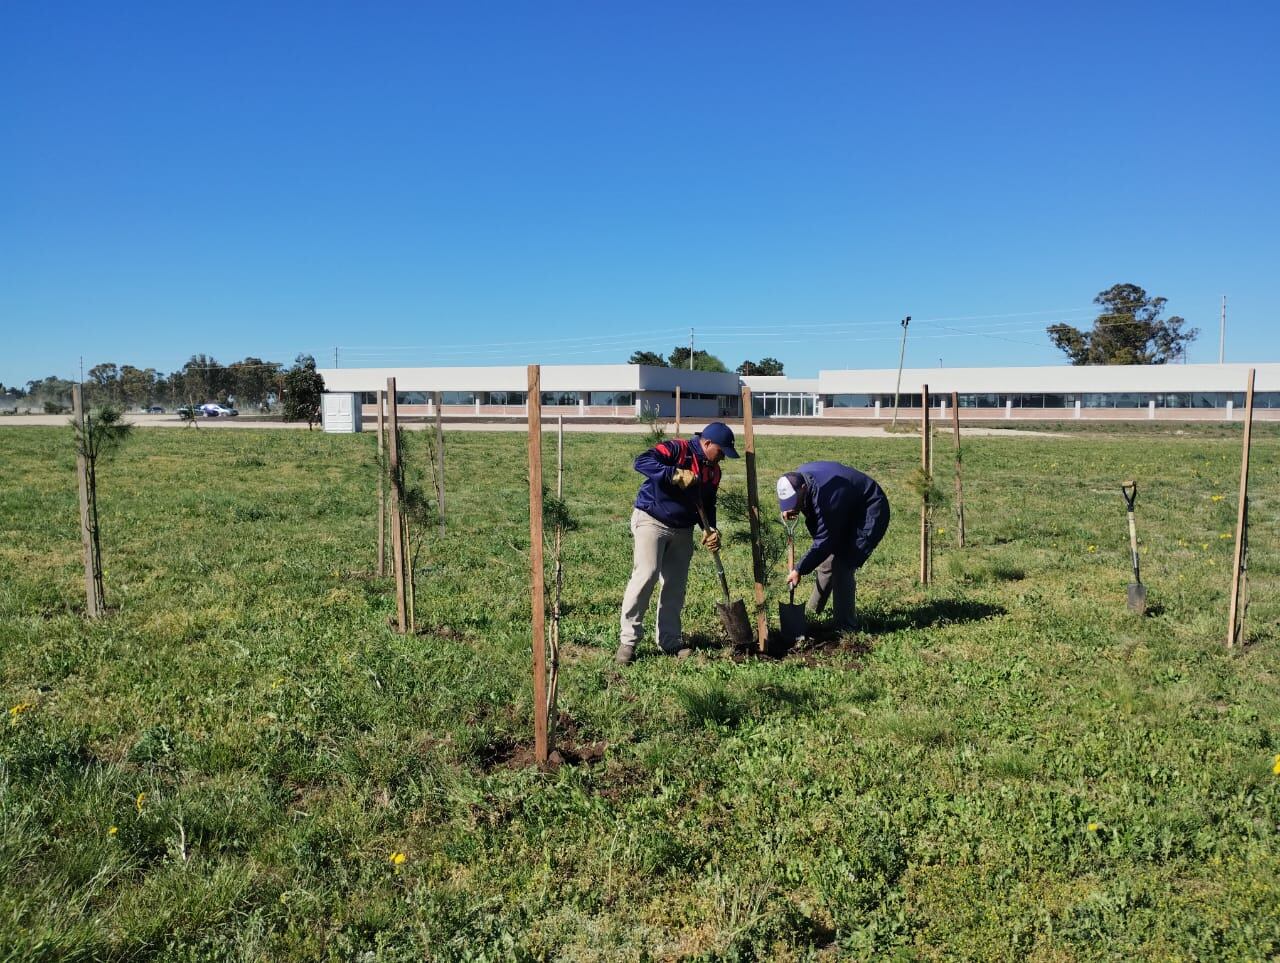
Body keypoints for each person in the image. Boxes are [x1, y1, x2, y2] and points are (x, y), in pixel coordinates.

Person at [616, 421, 739, 663]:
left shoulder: (713, 471)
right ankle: (628, 642)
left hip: (683, 529)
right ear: (707, 443)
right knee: (646, 575)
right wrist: (673, 473)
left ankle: (670, 641)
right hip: (652, 519)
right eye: (721, 451)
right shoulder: (677, 449)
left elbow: (708, 502)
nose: (722, 458)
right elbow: (641, 461)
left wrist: (710, 529)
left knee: (675, 585)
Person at [776, 462, 890, 631]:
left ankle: (846, 626)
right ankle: (813, 611)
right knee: (826, 561)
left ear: (803, 488)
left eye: (795, 501)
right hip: (845, 505)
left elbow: (824, 542)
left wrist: (799, 569)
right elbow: (822, 541)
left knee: (842, 564)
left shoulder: (825, 497)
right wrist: (788, 507)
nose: (793, 506)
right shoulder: (796, 480)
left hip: (868, 509)